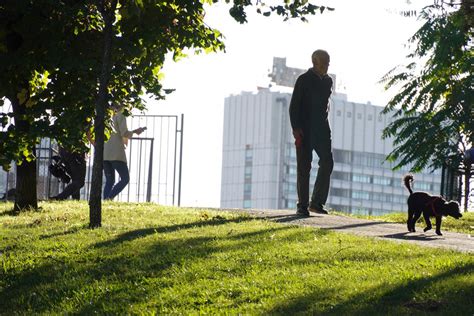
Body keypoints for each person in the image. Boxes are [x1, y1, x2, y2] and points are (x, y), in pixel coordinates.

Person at [289, 49, 334, 216]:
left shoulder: (328, 81)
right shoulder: (304, 80)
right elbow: (294, 106)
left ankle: (316, 203)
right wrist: (296, 128)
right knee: (304, 166)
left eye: (328, 63)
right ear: (314, 63)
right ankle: (302, 205)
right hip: (304, 128)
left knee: (327, 162)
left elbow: (326, 105)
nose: (326, 66)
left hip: (322, 129)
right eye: (323, 63)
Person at [103, 104, 146, 200]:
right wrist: (135, 131)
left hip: (105, 153)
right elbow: (124, 133)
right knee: (125, 178)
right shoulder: (120, 115)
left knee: (109, 181)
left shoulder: (105, 117)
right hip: (116, 154)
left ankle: (105, 201)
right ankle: (109, 198)